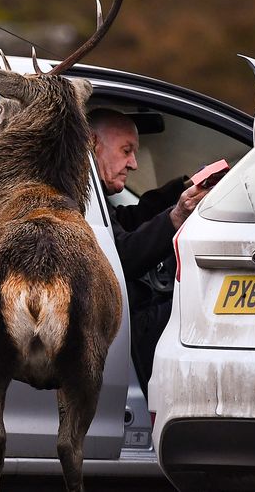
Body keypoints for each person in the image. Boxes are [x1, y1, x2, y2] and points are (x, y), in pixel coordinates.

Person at [89, 108, 209, 391]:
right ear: (93, 144)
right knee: (200, 302)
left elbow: (126, 222)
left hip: (121, 324)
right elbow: (119, 257)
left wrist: (185, 188)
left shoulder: (91, 195)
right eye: (126, 150)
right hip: (122, 327)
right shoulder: (74, 195)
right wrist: (176, 216)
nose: (134, 164)